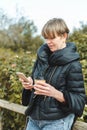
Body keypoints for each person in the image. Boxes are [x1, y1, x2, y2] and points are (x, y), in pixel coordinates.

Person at [20, 18, 86, 130]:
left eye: (52, 38)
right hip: (34, 118)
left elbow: (79, 99)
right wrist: (29, 84)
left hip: (57, 121)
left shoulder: (73, 65)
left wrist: (55, 93)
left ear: (64, 36)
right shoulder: (42, 57)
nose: (48, 42)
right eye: (46, 38)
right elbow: (35, 82)